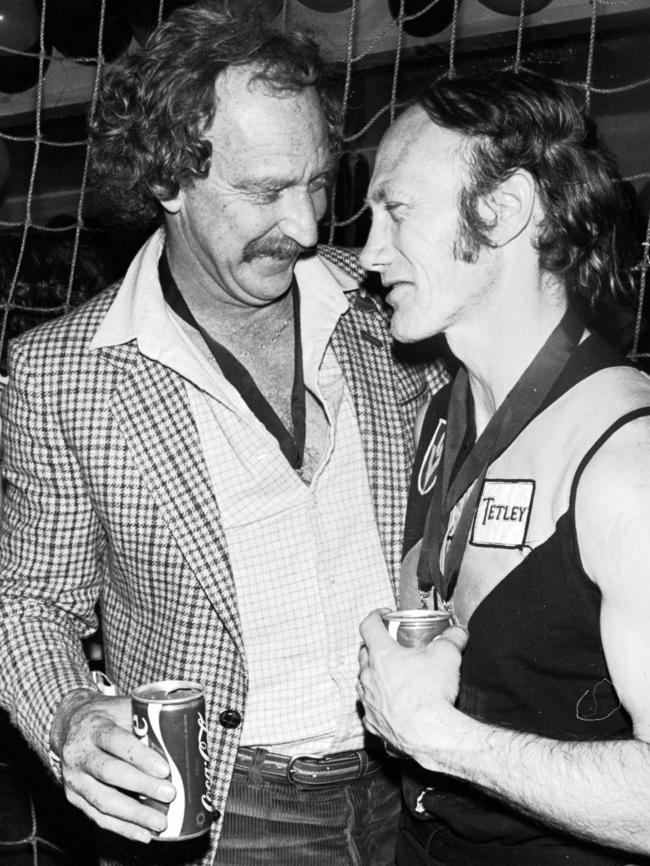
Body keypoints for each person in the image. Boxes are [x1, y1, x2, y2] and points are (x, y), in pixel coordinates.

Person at [0, 4, 446, 865]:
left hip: (429, 785)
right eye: (264, 191)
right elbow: (28, 601)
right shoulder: (62, 373)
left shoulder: (397, 306)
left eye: (318, 182)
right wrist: (70, 713)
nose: (309, 227)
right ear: (166, 180)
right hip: (230, 810)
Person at [356, 68, 650, 866]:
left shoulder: (627, 465)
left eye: (397, 210)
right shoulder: (442, 414)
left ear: (503, 209)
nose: (370, 252)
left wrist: (440, 738)